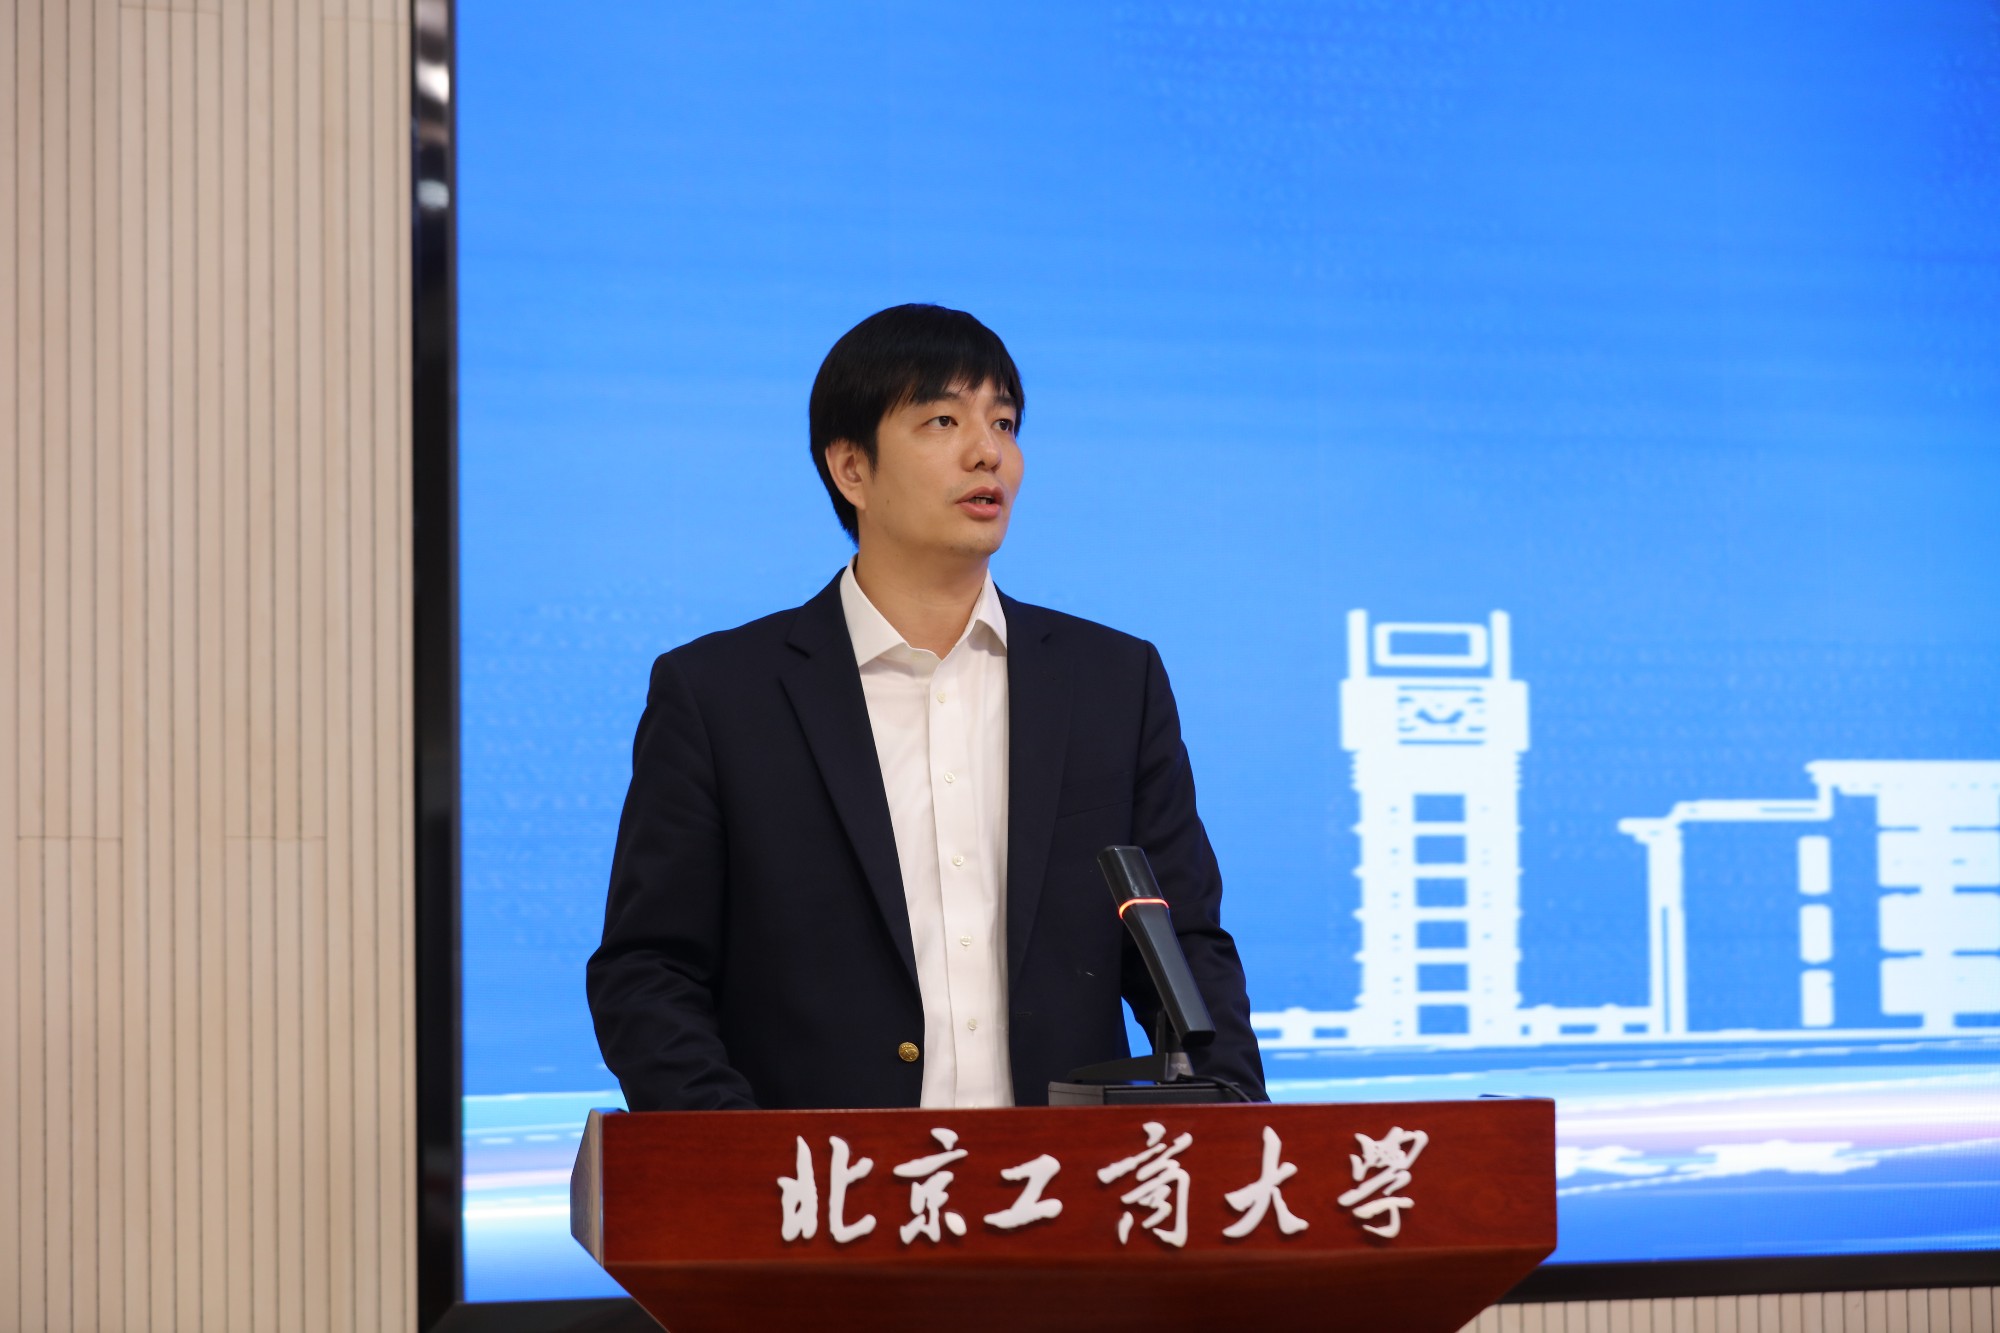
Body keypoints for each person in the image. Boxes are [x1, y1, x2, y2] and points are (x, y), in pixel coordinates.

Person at [587, 303, 1265, 1110]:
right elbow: (650, 970)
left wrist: (1237, 1131)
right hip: (826, 1180)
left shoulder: (1113, 682)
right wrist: (741, 1157)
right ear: (852, 469)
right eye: (943, 420)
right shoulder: (722, 694)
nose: (988, 452)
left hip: (1061, 1176)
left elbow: (1186, 948)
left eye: (1003, 423)